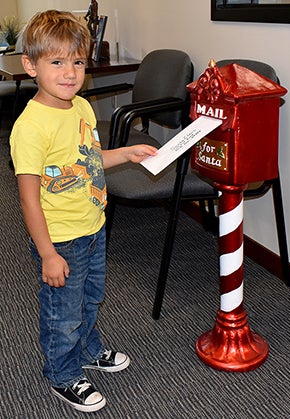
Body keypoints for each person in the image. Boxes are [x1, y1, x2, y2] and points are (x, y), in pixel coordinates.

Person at [10, 10, 157, 414]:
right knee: (63, 313)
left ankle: (89, 350)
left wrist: (126, 152)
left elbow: (89, 161)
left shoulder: (80, 109)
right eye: (56, 62)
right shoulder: (31, 127)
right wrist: (47, 254)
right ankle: (62, 372)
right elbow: (27, 198)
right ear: (31, 65)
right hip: (60, 238)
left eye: (77, 61)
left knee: (90, 300)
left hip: (93, 226)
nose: (70, 72)